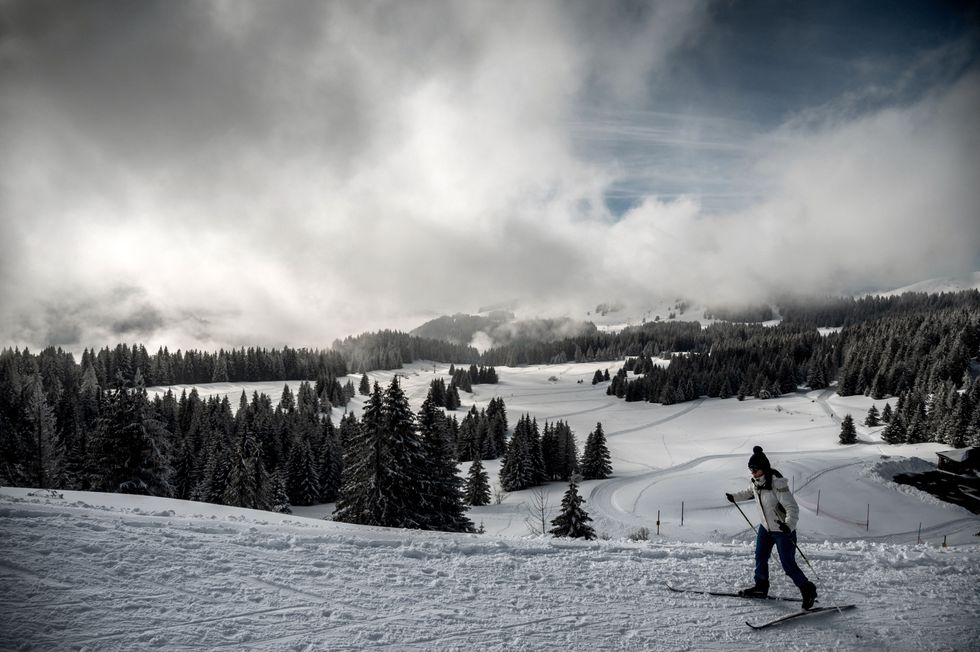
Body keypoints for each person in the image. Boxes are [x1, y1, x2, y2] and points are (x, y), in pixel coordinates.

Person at [725, 446, 818, 609]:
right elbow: (749, 492)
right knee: (760, 557)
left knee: (788, 565)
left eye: (755, 469)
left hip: (782, 530)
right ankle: (761, 587)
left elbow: (792, 508)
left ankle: (808, 590)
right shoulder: (756, 483)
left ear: (763, 468)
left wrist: (788, 525)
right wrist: (734, 497)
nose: (752, 472)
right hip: (766, 529)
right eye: (750, 469)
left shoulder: (777, 484)